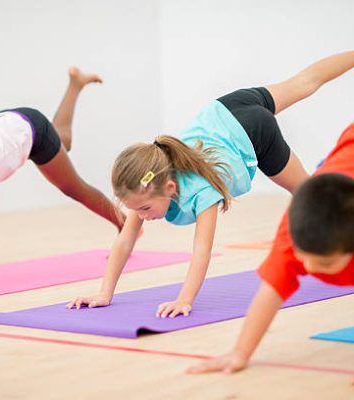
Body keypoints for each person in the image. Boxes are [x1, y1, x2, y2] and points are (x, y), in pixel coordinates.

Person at [67, 51, 354, 319]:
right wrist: (104, 293)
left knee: (308, 194)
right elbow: (125, 240)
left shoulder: (201, 191)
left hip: (254, 131)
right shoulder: (145, 185)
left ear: (169, 188)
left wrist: (184, 300)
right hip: (227, 109)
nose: (140, 216)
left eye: (143, 209)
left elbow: (201, 250)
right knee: (303, 84)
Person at [187, 122, 354, 374]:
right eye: (302, 257)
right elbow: (271, 290)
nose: (309, 269)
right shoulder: (293, 233)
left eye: (325, 263)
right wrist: (239, 353)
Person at [0, 67, 125, 293]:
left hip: (32, 129)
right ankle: (76, 84)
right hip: (4, 124)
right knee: (63, 140)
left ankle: (124, 222)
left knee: (74, 188)